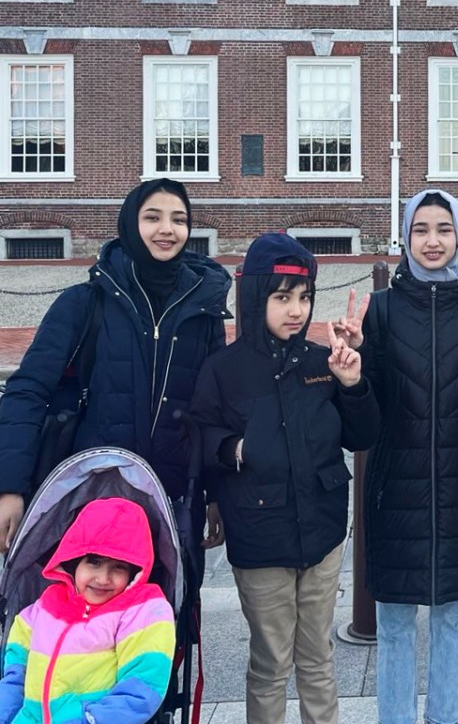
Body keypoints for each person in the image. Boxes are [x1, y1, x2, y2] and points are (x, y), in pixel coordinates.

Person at [188, 233, 380, 724]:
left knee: (317, 658)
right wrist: (236, 449)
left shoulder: (321, 361)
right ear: (255, 298)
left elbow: (362, 434)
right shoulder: (224, 370)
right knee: (272, 662)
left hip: (322, 532)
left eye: (303, 297)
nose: (296, 310)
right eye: (282, 298)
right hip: (259, 535)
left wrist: (353, 382)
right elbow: (200, 436)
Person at [338, 189, 458, 724]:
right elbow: (365, 419)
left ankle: (447, 717)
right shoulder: (383, 311)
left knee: (454, 616)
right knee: (394, 622)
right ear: (405, 237)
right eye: (421, 230)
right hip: (395, 489)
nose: (432, 241)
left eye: (443, 229)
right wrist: (354, 369)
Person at [0, 178, 232, 555]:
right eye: (152, 217)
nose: (167, 230)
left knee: (167, 609)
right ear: (129, 223)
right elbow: (28, 389)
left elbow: (212, 409)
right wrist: (9, 486)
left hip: (173, 497)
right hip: (95, 494)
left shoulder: (202, 310)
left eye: (178, 219)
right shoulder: (85, 302)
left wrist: (216, 493)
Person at [0, 496, 175, 724]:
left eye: (118, 567)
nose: (103, 578)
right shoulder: (46, 606)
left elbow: (141, 688)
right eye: (94, 562)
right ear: (74, 562)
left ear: (134, 572)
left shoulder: (144, 611)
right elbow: (15, 673)